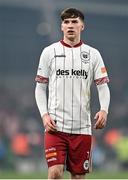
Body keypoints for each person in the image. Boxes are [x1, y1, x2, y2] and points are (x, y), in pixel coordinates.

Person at [35, 8, 110, 179]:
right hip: (56, 126)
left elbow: (103, 86)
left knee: (78, 177)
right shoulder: (49, 52)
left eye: (74, 21)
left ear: (82, 26)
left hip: (82, 127)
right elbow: (40, 87)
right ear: (61, 26)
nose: (70, 25)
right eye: (66, 22)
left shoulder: (93, 54)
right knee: (55, 173)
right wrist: (45, 116)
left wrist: (104, 109)